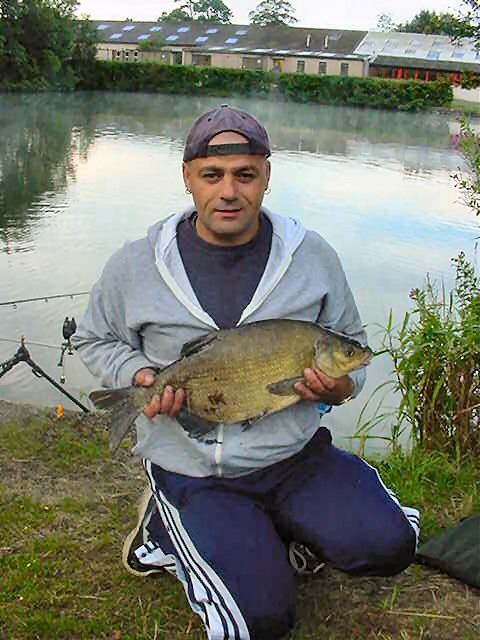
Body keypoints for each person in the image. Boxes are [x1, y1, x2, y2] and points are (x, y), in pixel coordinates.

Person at [72, 105, 420, 640]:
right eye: (212, 176)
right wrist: (140, 374)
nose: (229, 192)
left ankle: (288, 530)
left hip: (293, 459)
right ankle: (166, 526)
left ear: (266, 177)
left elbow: (356, 349)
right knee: (262, 619)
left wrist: (342, 387)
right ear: (188, 178)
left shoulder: (313, 256)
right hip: (197, 472)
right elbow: (96, 337)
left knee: (389, 546)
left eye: (245, 175)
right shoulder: (135, 264)